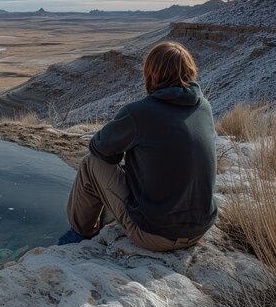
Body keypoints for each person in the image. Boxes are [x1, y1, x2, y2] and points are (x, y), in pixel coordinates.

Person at [59, 41, 218, 251]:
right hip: (199, 229)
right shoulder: (203, 106)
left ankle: (79, 235)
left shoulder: (139, 113)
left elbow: (99, 148)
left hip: (156, 235)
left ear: (151, 73)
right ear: (190, 71)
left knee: (91, 164)